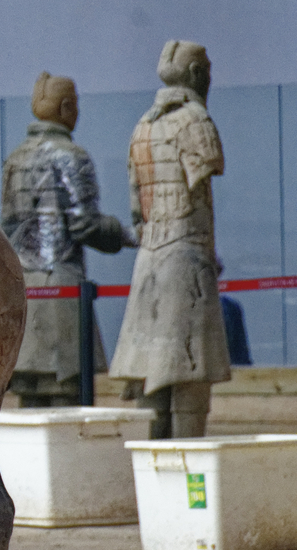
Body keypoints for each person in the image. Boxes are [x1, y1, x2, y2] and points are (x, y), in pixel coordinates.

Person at [110, 40, 229, 439]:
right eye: (207, 70)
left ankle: (157, 480)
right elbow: (201, 192)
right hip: (186, 256)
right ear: (197, 74)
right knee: (189, 375)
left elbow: (135, 209)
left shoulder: (143, 124)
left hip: (149, 260)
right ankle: (189, 480)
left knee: (152, 377)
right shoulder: (195, 120)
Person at [1, 72, 130, 408]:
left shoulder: (14, 159)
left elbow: (7, 227)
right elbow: (85, 225)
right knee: (67, 404)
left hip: (23, 291)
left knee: (31, 402)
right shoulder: (72, 155)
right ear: (66, 107)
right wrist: (126, 235)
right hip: (61, 292)